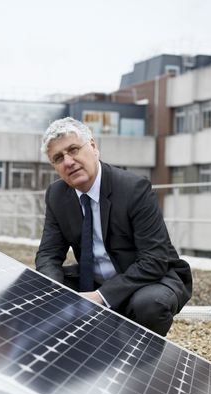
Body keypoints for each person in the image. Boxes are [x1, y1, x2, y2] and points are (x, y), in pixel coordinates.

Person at [35, 117, 192, 335]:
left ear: (92, 146)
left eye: (73, 150)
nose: (68, 161)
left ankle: (139, 364)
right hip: (92, 279)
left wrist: (101, 297)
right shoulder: (57, 195)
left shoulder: (133, 188)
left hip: (146, 279)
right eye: (58, 158)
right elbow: (48, 255)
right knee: (26, 291)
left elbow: (154, 260)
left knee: (149, 305)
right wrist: (53, 292)